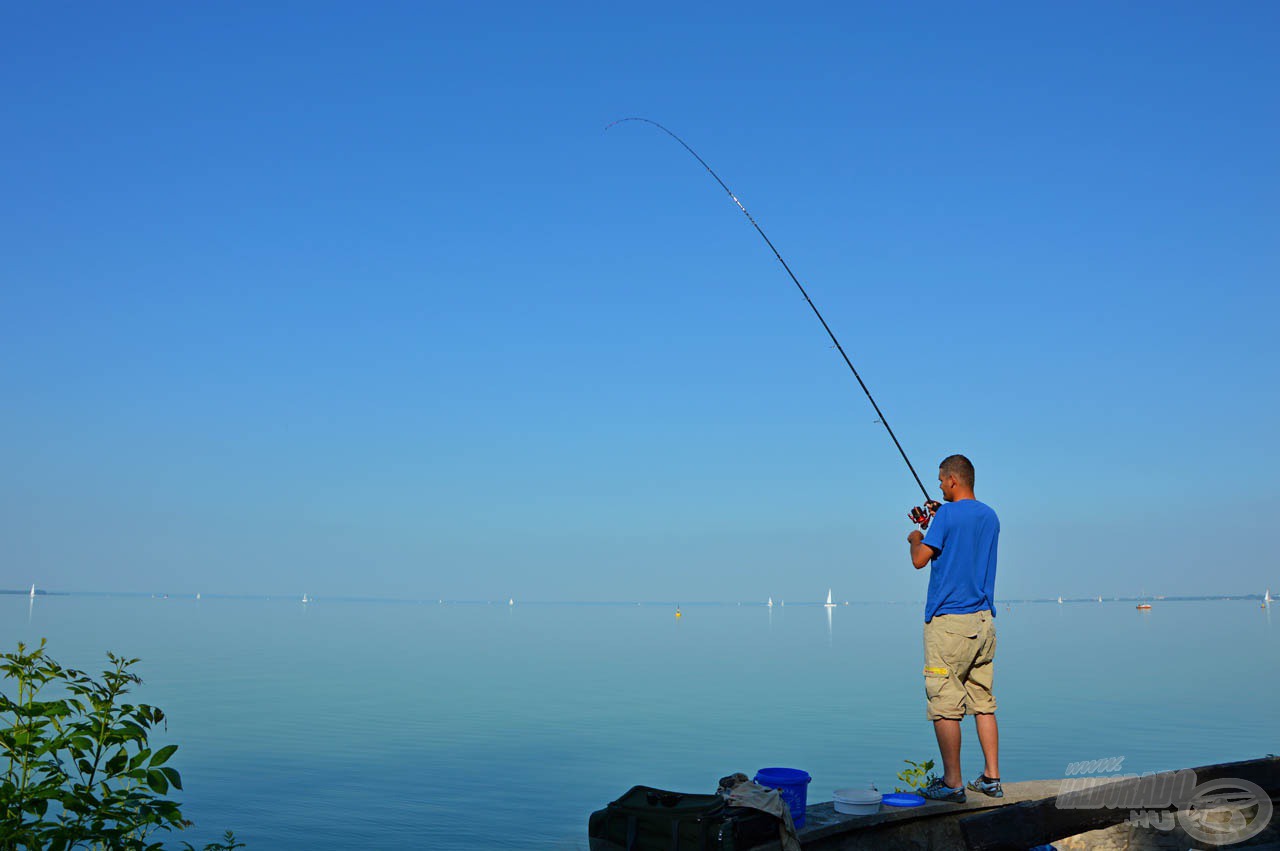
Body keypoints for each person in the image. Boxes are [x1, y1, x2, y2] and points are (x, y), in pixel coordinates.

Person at [906, 454, 1002, 802]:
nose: (940, 485)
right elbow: (963, 540)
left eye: (941, 480)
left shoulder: (946, 516)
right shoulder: (990, 516)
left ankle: (952, 783)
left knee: (945, 704)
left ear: (952, 481)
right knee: (983, 701)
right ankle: (992, 777)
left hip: (949, 624)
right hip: (983, 622)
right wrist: (939, 519)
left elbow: (920, 560)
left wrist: (917, 536)